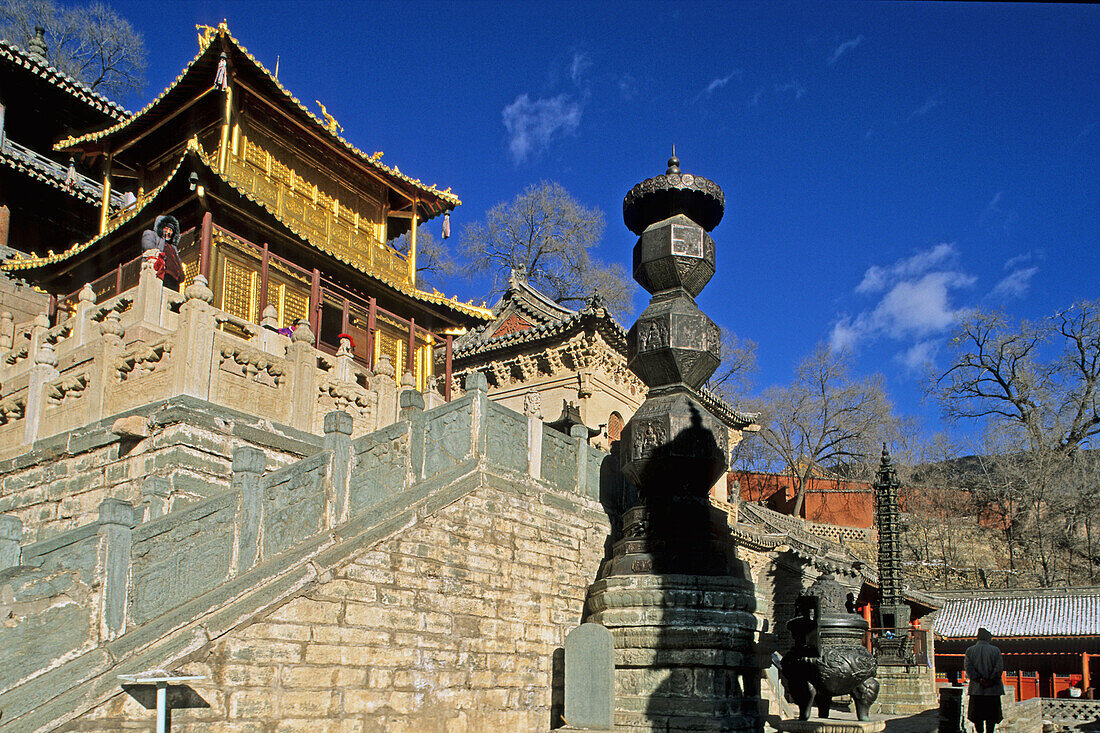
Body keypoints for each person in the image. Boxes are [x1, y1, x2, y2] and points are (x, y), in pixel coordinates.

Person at [965, 628, 1004, 733]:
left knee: (978, 718)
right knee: (991, 718)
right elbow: (999, 669)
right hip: (992, 690)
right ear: (988, 638)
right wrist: (990, 680)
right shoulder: (995, 650)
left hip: (977, 690)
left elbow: (968, 668)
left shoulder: (970, 651)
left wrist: (979, 679)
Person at [141, 214, 185, 291]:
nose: (168, 232)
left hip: (174, 279)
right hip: (162, 274)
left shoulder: (173, 247)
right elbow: (149, 248)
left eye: (171, 230)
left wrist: (181, 273)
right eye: (166, 228)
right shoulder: (151, 234)